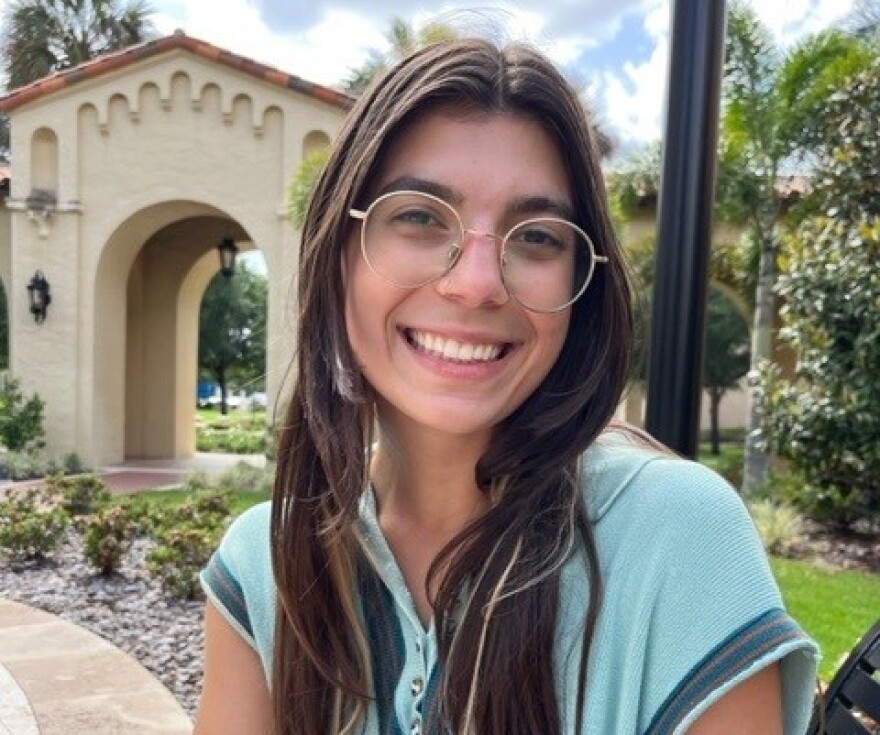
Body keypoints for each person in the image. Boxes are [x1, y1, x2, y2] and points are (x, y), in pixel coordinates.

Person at [194, 38, 818, 735]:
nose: (478, 283)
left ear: (581, 287)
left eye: (537, 236)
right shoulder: (264, 567)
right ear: (339, 254)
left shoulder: (678, 539)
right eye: (421, 217)